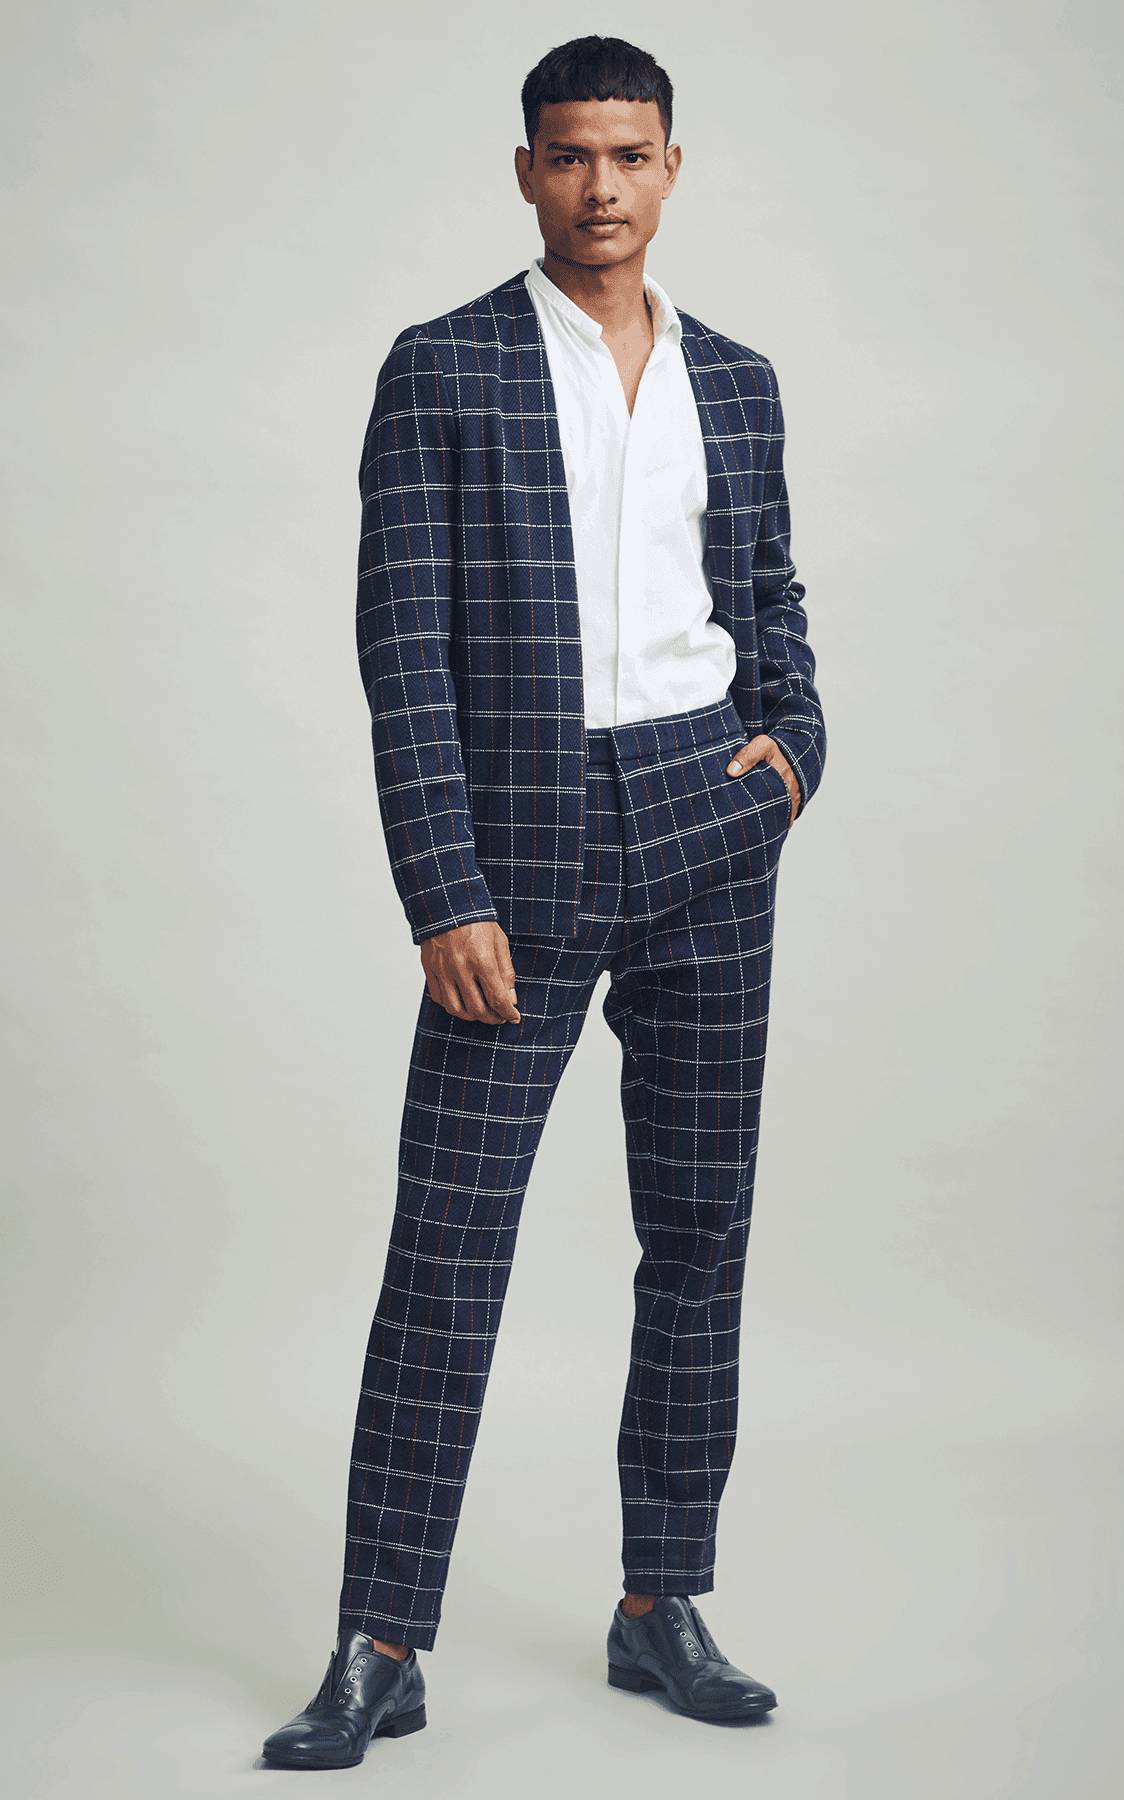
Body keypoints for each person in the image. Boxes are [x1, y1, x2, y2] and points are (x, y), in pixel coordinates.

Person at [261, 34, 825, 1769]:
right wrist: (444, 888)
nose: (601, 186)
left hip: (706, 820)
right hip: (519, 843)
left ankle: (663, 1603)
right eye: (571, 154)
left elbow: (771, 599)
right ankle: (380, 1639)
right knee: (448, 1251)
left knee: (701, 1237)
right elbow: (402, 648)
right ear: (526, 171)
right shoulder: (443, 367)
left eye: (630, 155)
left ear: (673, 169)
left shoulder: (740, 382)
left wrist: (791, 761)